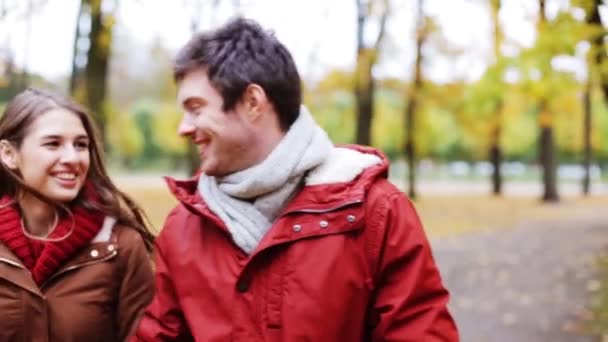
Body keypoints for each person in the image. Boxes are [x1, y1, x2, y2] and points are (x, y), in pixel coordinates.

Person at [134, 17, 458, 341]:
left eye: (196, 108)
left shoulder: (376, 213)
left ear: (252, 102)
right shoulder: (183, 228)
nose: (183, 128)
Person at [0, 88, 155, 341]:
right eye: (53, 144)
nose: (73, 158)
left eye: (81, 145)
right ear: (9, 154)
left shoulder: (121, 246)